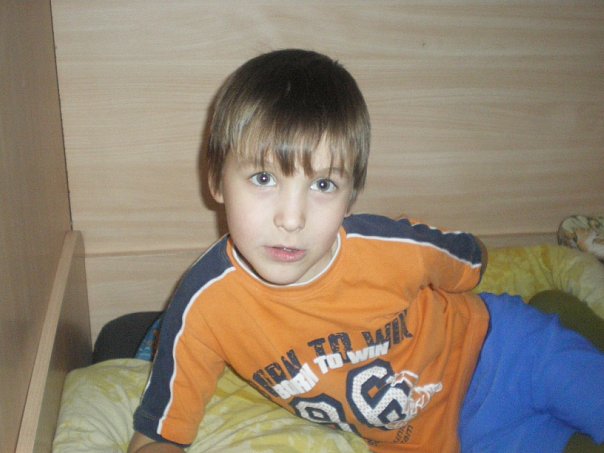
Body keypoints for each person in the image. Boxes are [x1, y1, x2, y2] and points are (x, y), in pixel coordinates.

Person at [128, 49, 604, 452]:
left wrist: (467, 261)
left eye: (323, 185)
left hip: (507, 354)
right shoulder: (204, 307)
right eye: (264, 178)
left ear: (350, 197)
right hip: (430, 438)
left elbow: (470, 259)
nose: (291, 219)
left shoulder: (388, 248)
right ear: (216, 180)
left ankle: (563, 316)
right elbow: (159, 434)